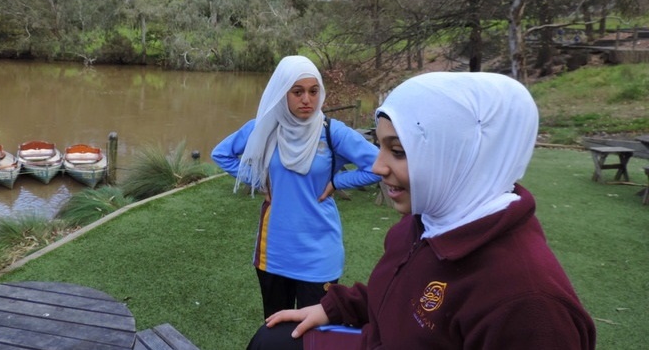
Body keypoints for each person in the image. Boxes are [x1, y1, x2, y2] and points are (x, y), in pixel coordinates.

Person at [249, 71, 597, 349]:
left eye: (397, 151)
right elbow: (400, 294)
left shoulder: (530, 308)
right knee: (272, 339)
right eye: (381, 148)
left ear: (458, 156)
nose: (378, 167)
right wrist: (335, 307)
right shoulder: (425, 224)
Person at [211, 55, 380, 319]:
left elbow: (378, 165)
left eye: (313, 91)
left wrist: (337, 182)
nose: (307, 100)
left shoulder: (332, 132)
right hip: (274, 252)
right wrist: (258, 179)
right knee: (276, 332)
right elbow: (221, 154)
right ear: (283, 93)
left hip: (319, 253)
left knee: (314, 336)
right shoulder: (265, 128)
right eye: (297, 92)